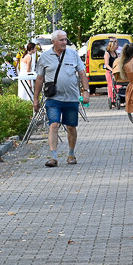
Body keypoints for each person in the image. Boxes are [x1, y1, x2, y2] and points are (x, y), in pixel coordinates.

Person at [32, 30, 89, 167]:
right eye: (61, 40)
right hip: (53, 98)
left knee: (71, 127)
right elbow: (39, 79)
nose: (64, 42)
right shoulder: (45, 57)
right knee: (54, 125)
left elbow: (82, 73)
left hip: (71, 98)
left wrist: (86, 91)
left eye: (65, 39)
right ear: (53, 42)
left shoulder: (73, 54)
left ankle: (71, 154)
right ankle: (53, 157)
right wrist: (36, 99)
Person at [103, 38, 121, 109]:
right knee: (111, 85)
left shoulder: (116, 53)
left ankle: (119, 99)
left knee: (118, 85)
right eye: (116, 45)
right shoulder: (107, 53)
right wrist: (112, 70)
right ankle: (112, 101)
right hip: (109, 72)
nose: (117, 47)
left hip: (116, 72)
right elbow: (106, 64)